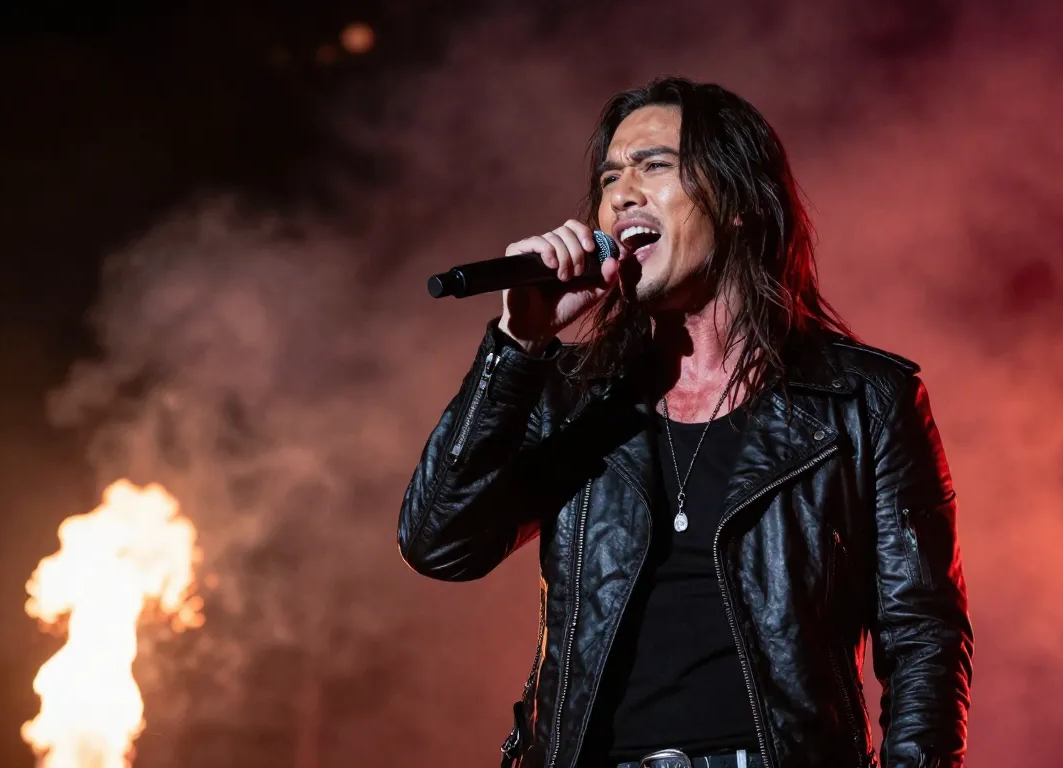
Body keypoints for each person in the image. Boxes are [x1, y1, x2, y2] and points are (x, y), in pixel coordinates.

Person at [397, 76, 972, 768]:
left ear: (737, 201)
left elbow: (923, 636)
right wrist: (519, 345)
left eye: (654, 165)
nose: (621, 194)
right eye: (609, 177)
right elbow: (439, 544)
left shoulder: (861, 400)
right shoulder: (576, 396)